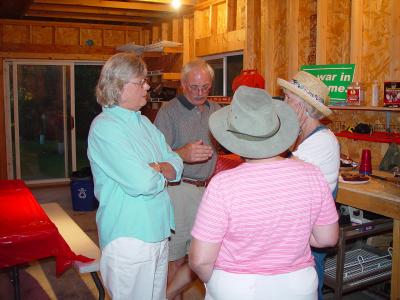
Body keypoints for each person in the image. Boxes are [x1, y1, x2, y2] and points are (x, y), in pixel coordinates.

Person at [189, 86, 339, 300]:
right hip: (297, 287)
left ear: (233, 135)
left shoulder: (223, 185)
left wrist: (212, 280)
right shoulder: (312, 175)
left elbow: (200, 260)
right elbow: (327, 238)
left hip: (237, 287)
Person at [87, 53, 183, 299]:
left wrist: (157, 167)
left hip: (158, 232)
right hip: (129, 239)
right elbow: (142, 182)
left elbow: (176, 163)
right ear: (118, 87)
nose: (148, 86)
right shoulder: (106, 127)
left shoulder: (143, 123)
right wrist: (162, 170)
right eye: (140, 82)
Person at [154, 59, 220, 299]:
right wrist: (183, 154)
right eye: (194, 87)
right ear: (182, 84)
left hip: (208, 190)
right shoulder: (168, 111)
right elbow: (157, 158)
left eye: (205, 87)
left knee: (203, 254)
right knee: (176, 257)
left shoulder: (216, 111)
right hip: (179, 191)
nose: (200, 93)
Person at [277, 71, 341, 299]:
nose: (283, 104)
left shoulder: (323, 141)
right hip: (296, 237)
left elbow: (282, 176)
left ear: (303, 106)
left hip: (310, 241)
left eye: (288, 99)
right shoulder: (301, 137)